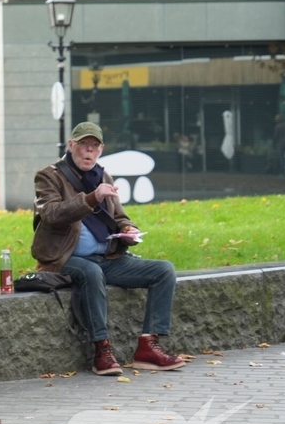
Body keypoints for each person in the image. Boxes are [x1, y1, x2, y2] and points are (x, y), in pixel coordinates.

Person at [31, 122, 185, 376]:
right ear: (71, 145)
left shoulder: (104, 176)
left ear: (101, 150)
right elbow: (51, 214)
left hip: (107, 256)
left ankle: (148, 346)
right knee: (91, 273)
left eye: (94, 146)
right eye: (83, 145)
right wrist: (92, 198)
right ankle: (101, 349)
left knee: (163, 270)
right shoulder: (49, 176)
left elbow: (120, 217)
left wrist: (129, 231)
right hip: (64, 258)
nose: (88, 151)